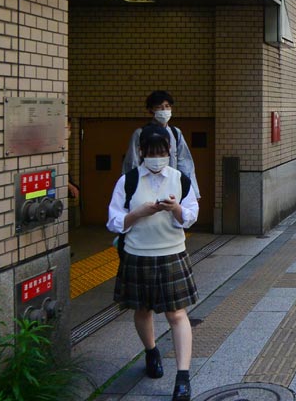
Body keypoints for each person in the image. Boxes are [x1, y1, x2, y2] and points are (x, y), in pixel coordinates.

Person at [107, 125, 199, 401]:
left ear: (169, 153)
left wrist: (176, 209)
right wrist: (139, 213)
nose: (157, 157)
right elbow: (114, 222)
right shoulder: (128, 181)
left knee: (177, 315)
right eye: (152, 152)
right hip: (138, 254)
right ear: (141, 152)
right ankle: (151, 352)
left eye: (162, 152)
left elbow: (191, 216)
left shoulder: (180, 179)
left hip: (172, 253)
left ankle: (182, 378)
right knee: (142, 310)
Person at [124, 91, 200, 200]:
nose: (164, 110)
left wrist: (193, 191)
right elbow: (132, 163)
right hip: (145, 186)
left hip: (172, 185)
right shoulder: (140, 134)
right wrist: (129, 188)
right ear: (151, 110)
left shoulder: (175, 133)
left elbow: (185, 163)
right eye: (159, 107)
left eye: (167, 106)